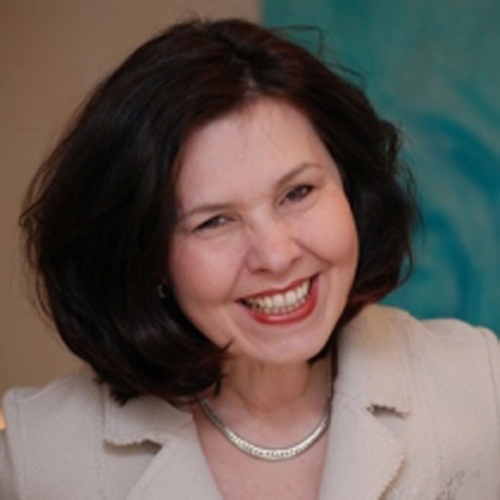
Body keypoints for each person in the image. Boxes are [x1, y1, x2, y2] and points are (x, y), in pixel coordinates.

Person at [1, 17, 499, 500]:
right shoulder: (34, 459)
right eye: (215, 221)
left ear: (351, 189)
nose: (276, 256)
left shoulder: (482, 388)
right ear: (144, 256)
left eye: (298, 192)